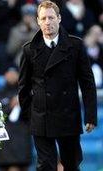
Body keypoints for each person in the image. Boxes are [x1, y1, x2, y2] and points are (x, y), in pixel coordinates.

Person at [18, 1, 97, 171]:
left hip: (68, 116)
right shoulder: (29, 50)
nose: (48, 22)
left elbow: (87, 83)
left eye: (51, 17)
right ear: (38, 21)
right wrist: (29, 116)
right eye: (44, 18)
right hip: (41, 117)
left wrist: (90, 115)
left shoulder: (75, 46)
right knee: (45, 165)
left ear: (59, 18)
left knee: (71, 163)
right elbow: (23, 87)